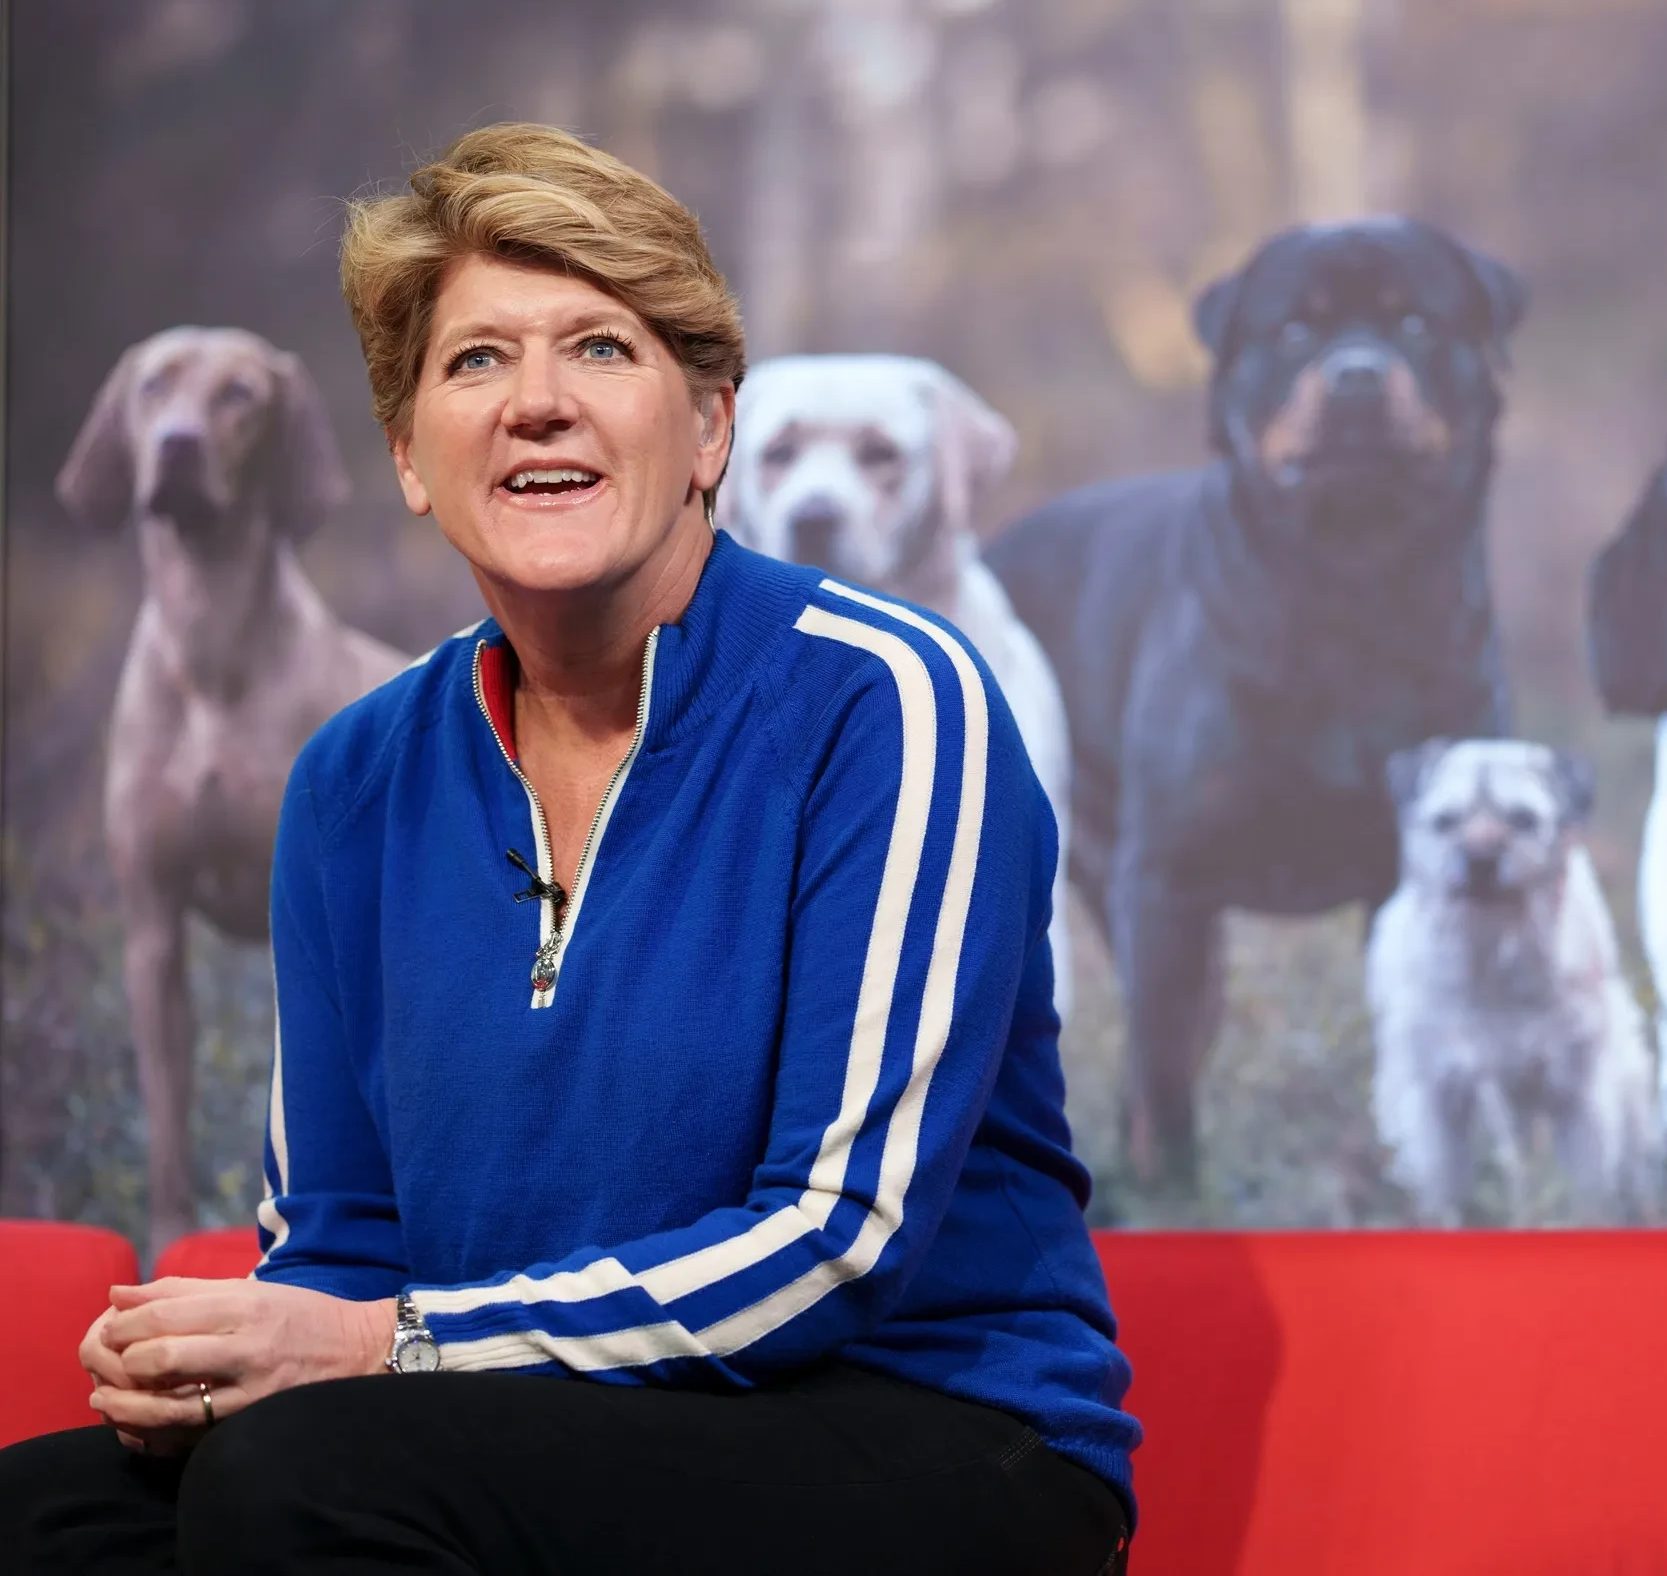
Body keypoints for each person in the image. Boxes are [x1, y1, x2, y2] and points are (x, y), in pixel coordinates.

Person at [0, 122, 1137, 1575]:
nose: (535, 404)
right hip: (508, 1418)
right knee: (37, 1518)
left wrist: (383, 1348)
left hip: (923, 1428)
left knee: (304, 1483)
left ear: (710, 429)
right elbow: (344, 1236)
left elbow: (836, 1244)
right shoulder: (353, 776)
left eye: (599, 349)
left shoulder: (887, 699)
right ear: (410, 456)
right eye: (475, 362)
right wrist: (234, 1364)